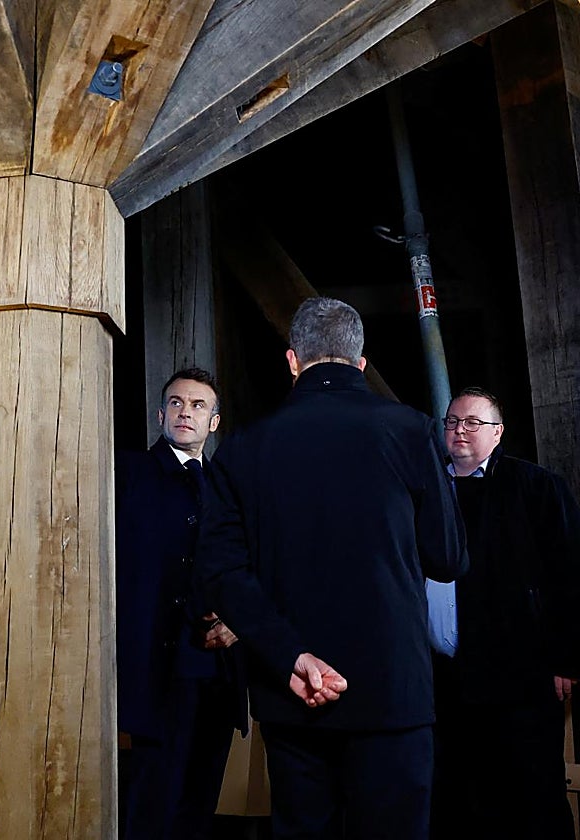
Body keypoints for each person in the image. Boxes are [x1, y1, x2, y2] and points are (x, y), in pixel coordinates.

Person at [194, 297, 468, 840]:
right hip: (392, 692)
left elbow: (220, 572)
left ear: (293, 361)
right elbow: (447, 557)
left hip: (292, 692)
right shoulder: (411, 430)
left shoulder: (242, 449)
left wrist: (290, 655)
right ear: (360, 363)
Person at [428, 386, 580, 840]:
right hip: (444, 678)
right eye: (453, 422)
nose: (460, 431)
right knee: (456, 796)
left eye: (473, 423)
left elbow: (570, 573)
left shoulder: (536, 486)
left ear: (498, 433)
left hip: (521, 676)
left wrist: (568, 658)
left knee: (532, 795)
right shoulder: (424, 488)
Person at [116, 367, 247, 839]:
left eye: (197, 406)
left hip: (215, 669)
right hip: (157, 666)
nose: (184, 412)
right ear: (160, 414)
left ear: (214, 422)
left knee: (198, 803)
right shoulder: (128, 473)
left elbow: (246, 568)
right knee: (153, 802)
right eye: (175, 403)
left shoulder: (228, 488)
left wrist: (239, 620)